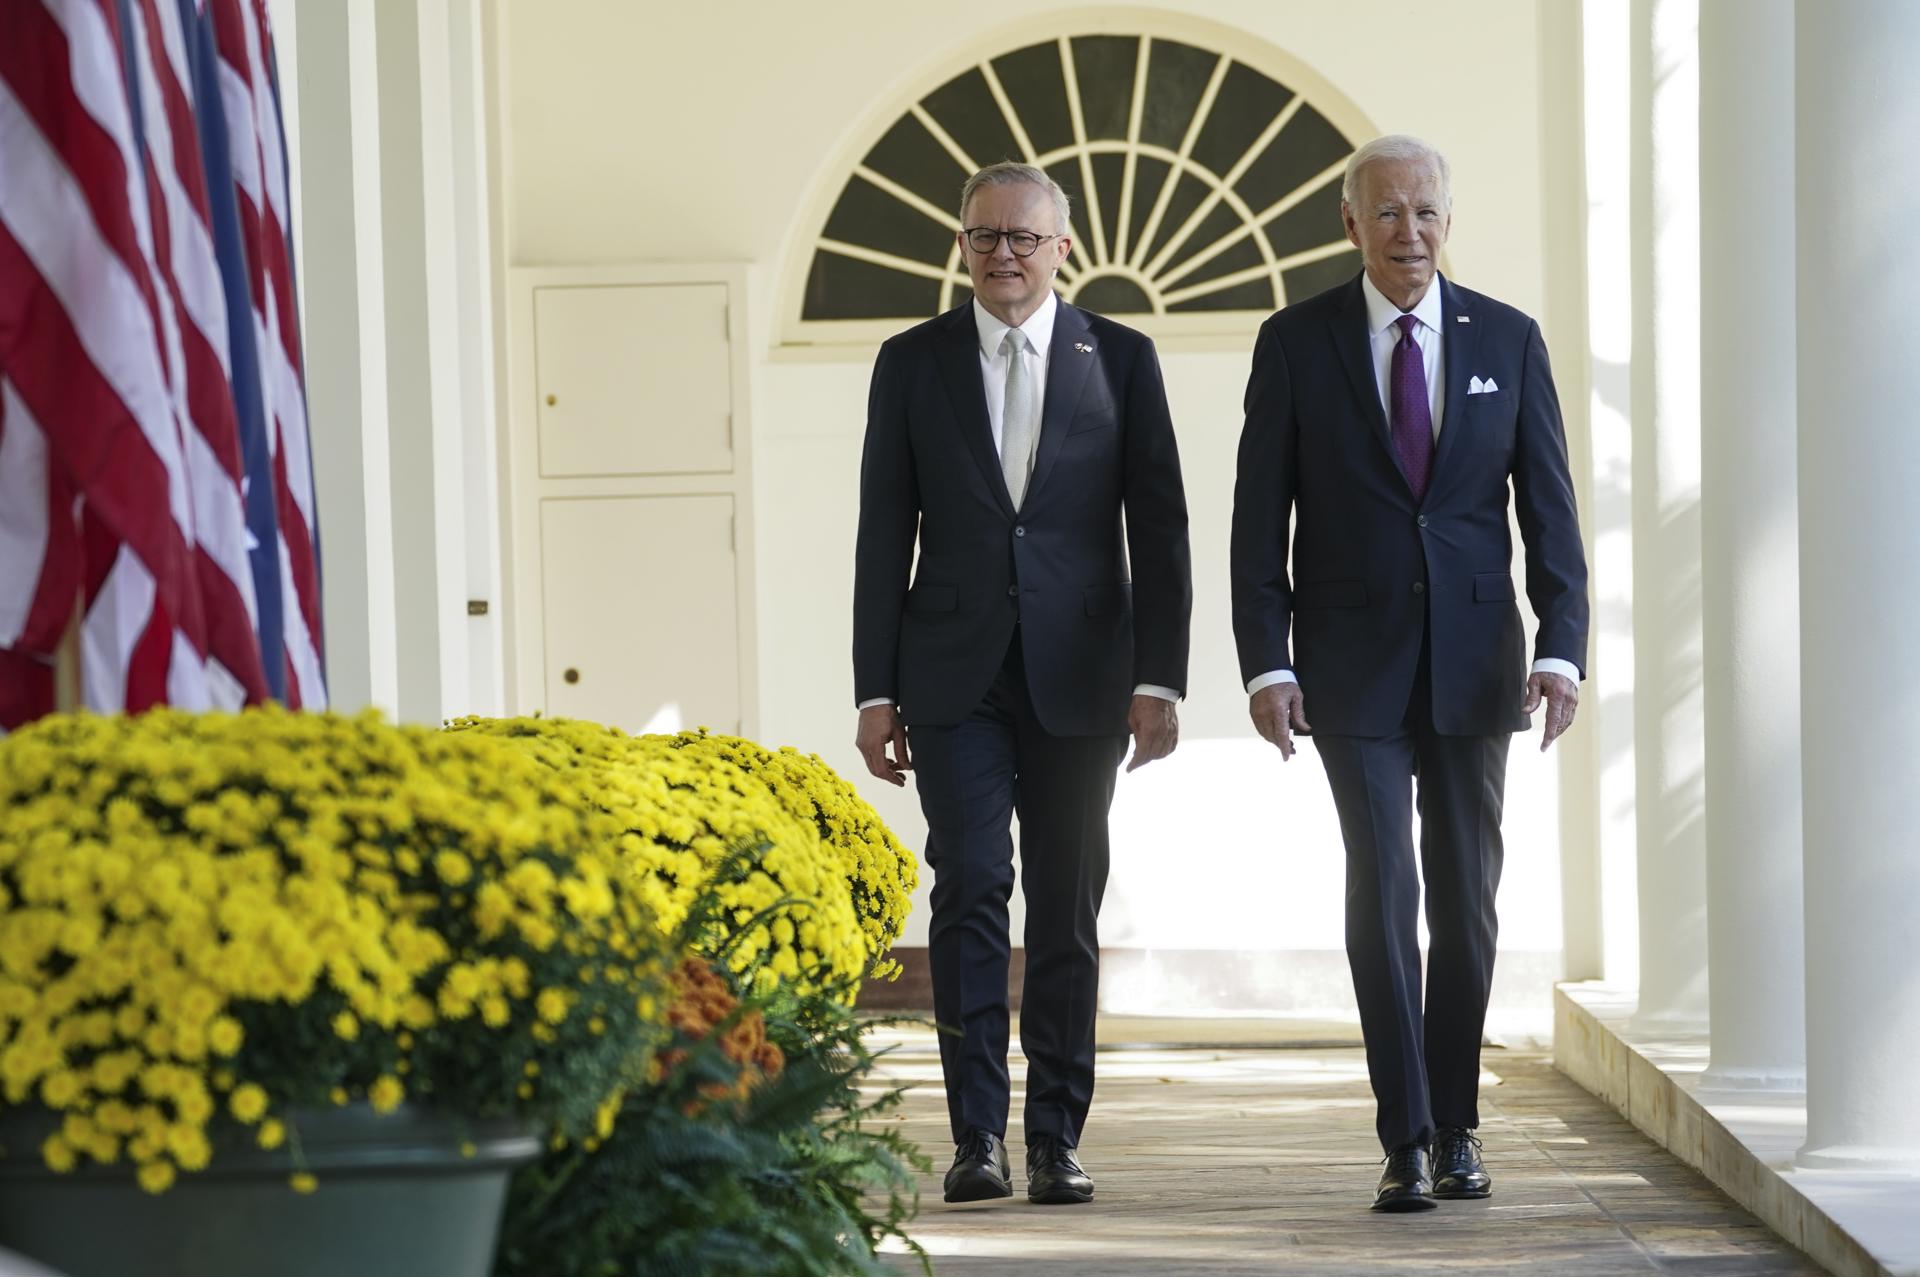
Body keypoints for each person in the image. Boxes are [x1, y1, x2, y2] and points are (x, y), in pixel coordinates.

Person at [1229, 135, 1589, 1212]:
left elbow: (1551, 513)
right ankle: (1409, 1136)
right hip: (1349, 666)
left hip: (1480, 665)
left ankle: (1460, 1120)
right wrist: (1267, 661)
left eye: (1427, 212)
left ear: (1448, 220)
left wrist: (1562, 642)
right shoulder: (1296, 344)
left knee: (1468, 903)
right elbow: (1260, 522)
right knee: (1384, 886)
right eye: (1387, 213)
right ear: (1351, 225)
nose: (1409, 232)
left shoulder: (1509, 340)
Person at [852, 161, 1192, 1206]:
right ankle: (976, 1139)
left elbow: (1160, 525)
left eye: (1024, 238)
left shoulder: (1121, 359)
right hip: (951, 675)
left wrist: (1161, 678)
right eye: (985, 235)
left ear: (1064, 248)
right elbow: (882, 530)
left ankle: (1055, 1136)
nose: (1004, 253)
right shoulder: (911, 361)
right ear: (961, 245)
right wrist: (874, 689)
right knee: (968, 892)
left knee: (1067, 900)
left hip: (1084, 675)